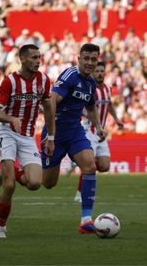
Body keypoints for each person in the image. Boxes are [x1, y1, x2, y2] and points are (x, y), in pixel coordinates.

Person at [41, 43, 106, 234]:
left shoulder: (91, 83)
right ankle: (19, 172)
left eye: (93, 59)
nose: (89, 63)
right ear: (79, 59)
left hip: (75, 132)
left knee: (90, 166)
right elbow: (51, 100)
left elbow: (92, 107)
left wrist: (99, 127)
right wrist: (51, 136)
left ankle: (86, 220)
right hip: (55, 134)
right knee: (47, 183)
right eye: (86, 58)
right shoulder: (70, 75)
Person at [0, 44, 54, 238]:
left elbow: (49, 108)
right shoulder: (10, 81)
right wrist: (11, 119)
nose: (38, 61)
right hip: (6, 132)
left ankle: (6, 171)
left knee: (35, 183)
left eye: (39, 57)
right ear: (23, 59)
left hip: (27, 136)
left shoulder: (43, 80)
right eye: (34, 57)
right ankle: (0, 227)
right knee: (9, 185)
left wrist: (51, 137)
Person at [74, 62, 123, 203]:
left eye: (102, 70)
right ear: (93, 73)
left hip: (101, 132)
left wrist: (117, 119)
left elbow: (109, 104)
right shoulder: (88, 89)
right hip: (89, 130)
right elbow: (84, 109)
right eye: (97, 71)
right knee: (90, 165)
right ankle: (79, 193)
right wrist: (97, 124)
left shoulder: (108, 88)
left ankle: (83, 162)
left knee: (105, 166)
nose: (100, 73)